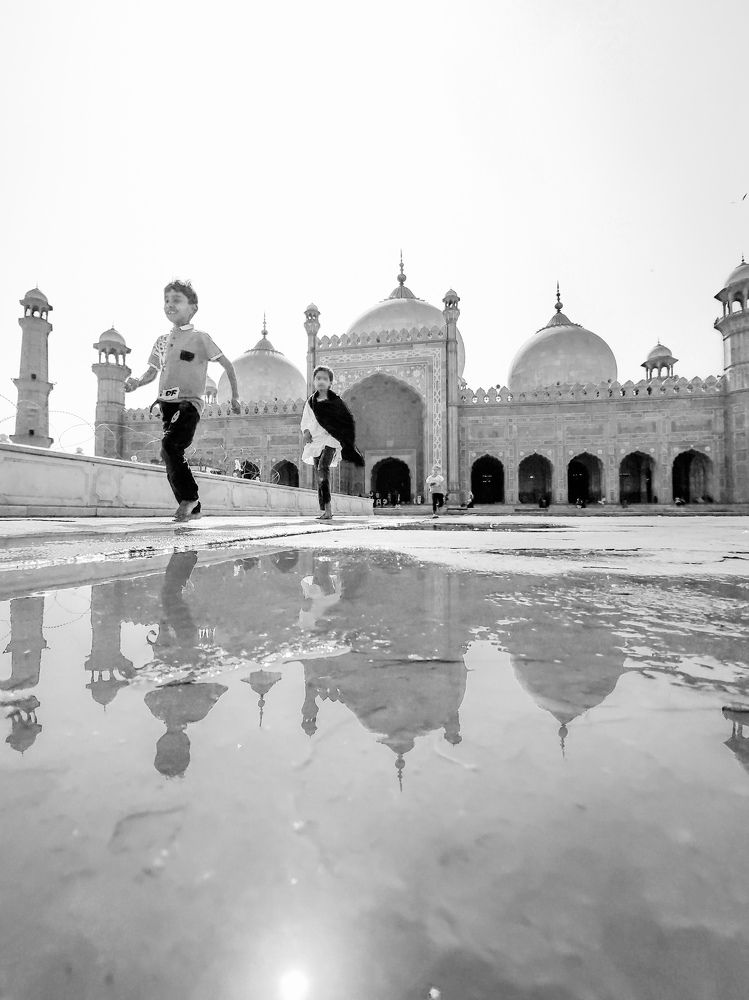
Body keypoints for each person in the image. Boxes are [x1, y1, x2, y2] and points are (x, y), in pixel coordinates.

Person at [125, 280, 241, 522]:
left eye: (176, 300)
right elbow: (152, 372)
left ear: (193, 308)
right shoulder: (161, 341)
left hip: (189, 403)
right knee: (169, 454)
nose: (170, 304)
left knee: (170, 446)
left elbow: (228, 365)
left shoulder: (200, 338)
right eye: (166, 300)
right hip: (166, 405)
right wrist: (137, 382)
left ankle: (189, 498)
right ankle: (193, 509)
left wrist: (235, 397)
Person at [301, 366, 364, 520]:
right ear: (314, 381)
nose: (321, 381)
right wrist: (306, 431)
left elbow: (346, 419)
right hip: (316, 441)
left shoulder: (336, 401)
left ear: (330, 382)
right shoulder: (310, 402)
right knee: (319, 474)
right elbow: (305, 420)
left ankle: (328, 509)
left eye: (325, 378)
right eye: (318, 378)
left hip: (331, 439)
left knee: (323, 468)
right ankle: (324, 509)